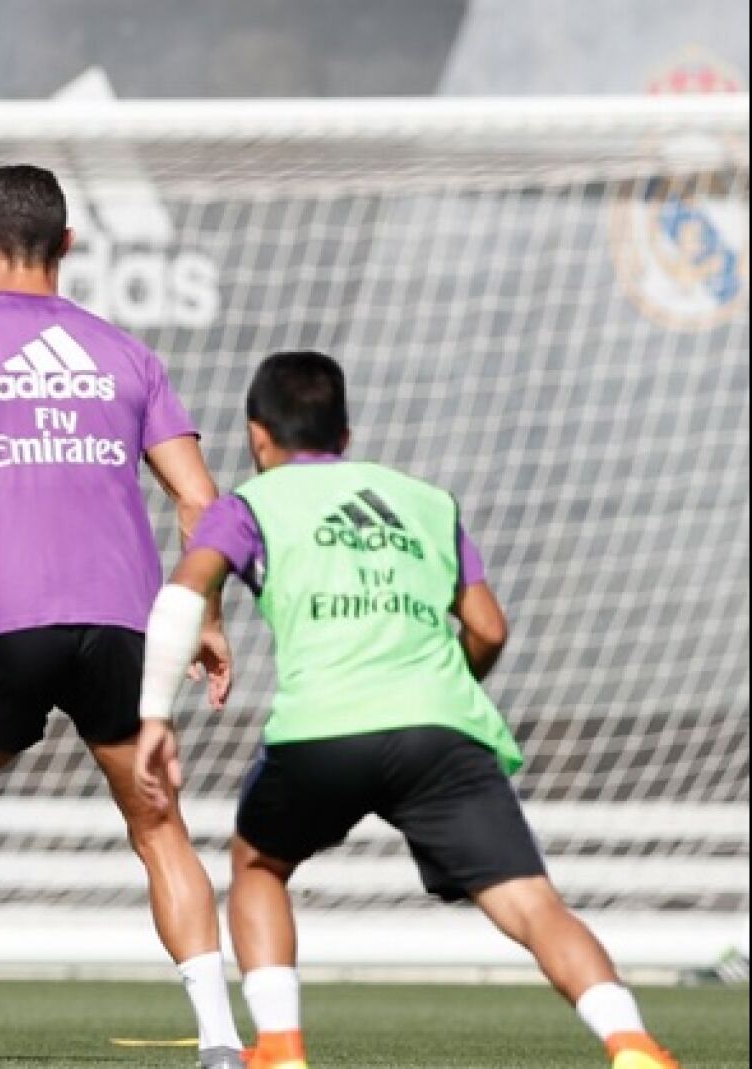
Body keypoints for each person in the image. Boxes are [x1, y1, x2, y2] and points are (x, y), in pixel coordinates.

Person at [133, 350, 680, 1069]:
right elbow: (489, 627)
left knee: (259, 864)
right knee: (532, 903)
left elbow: (181, 596)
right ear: (347, 434)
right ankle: (631, 1041)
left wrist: (155, 715)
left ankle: (283, 1048)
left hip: (323, 728)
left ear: (258, 436)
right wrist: (447, 690)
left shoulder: (248, 507)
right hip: (440, 729)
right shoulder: (425, 501)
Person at [0, 164, 243, 1069]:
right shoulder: (127, 355)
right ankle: (223, 1040)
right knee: (159, 826)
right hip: (123, 625)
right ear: (71, 246)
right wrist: (207, 616)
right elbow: (204, 506)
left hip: (3, 624)